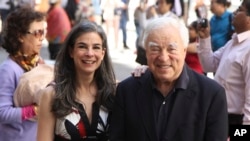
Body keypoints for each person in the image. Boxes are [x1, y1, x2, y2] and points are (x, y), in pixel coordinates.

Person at [110, 17, 228, 141]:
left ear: (184, 51)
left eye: (171, 49)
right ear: (146, 52)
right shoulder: (127, 91)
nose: (163, 58)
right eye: (155, 49)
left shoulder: (211, 94)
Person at [37, 21, 116, 141]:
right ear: (71, 51)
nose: (90, 53)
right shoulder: (51, 95)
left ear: (103, 53)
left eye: (96, 47)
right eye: (82, 46)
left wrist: (144, 71)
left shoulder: (114, 91)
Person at [197, 0, 250, 135]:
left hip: (236, 119)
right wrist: (205, 39)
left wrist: (243, 131)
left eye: (239, 10)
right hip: (219, 113)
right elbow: (209, 64)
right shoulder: (233, 42)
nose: (234, 13)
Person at [0, 6, 47, 141]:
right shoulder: (8, 69)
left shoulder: (37, 63)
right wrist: (35, 110)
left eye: (43, 32)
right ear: (20, 36)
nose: (42, 38)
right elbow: (2, 112)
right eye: (37, 33)